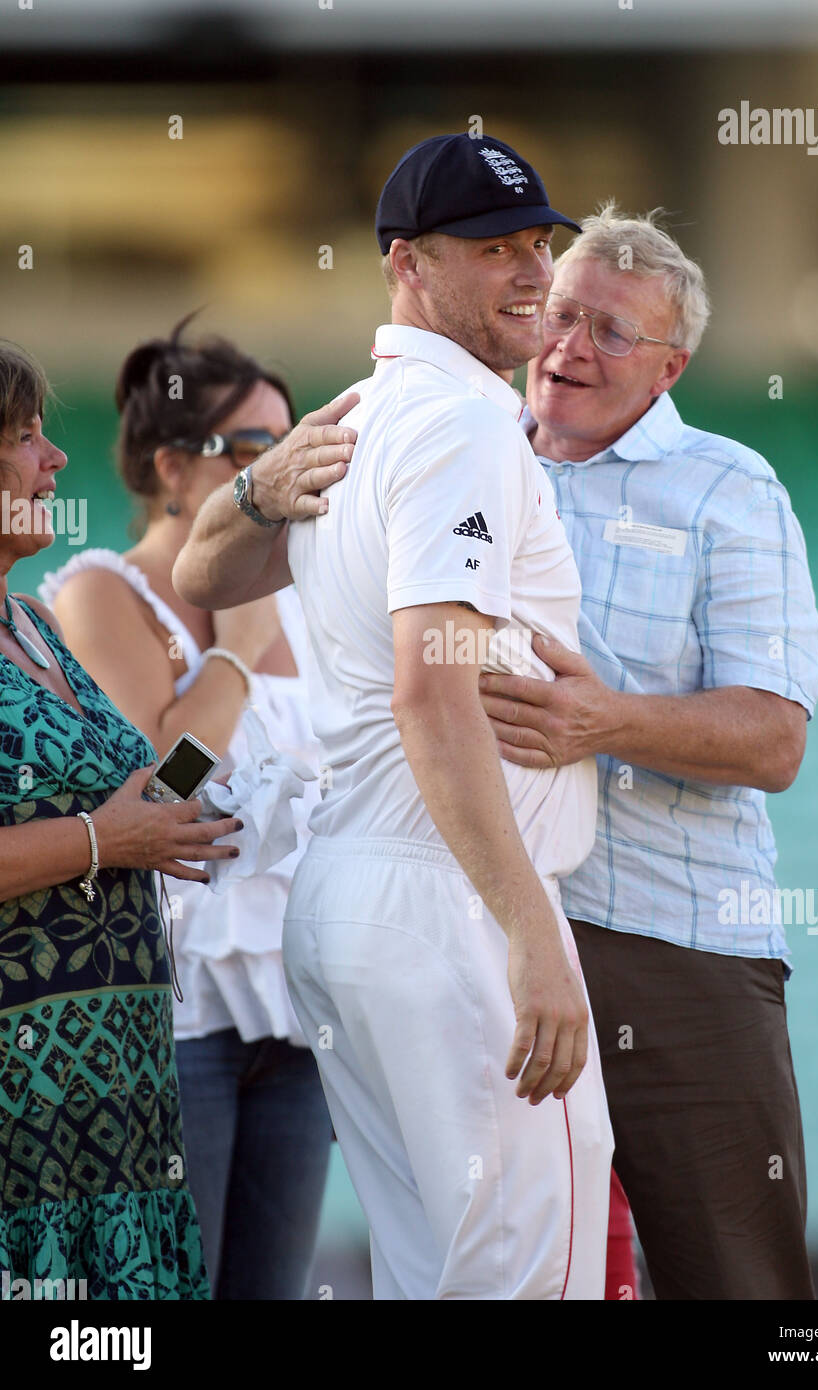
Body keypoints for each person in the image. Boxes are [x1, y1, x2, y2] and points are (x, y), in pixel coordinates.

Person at [174, 133, 615, 1300]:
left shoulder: (367, 412)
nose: (532, 273)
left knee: (434, 1275)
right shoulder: (459, 422)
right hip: (450, 899)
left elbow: (209, 577)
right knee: (524, 1279)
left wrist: (257, 490)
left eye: (538, 244)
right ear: (404, 264)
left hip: (357, 892)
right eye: (491, 249)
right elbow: (433, 685)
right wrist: (527, 928)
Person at [477, 205, 818, 1299]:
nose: (570, 346)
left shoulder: (727, 488)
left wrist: (606, 721)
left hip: (674, 946)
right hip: (492, 934)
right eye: (561, 313)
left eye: (612, 332)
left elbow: (774, 739)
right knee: (507, 1276)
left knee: (735, 1283)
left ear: (670, 366)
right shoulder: (465, 455)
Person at [41, 319, 348, 1300]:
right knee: (170, 1288)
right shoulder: (104, 592)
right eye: (256, 450)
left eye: (296, 445)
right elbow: (158, 791)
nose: (287, 470)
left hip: (295, 1008)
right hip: (169, 1007)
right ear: (175, 468)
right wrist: (238, 646)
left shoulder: (309, 596)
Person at [0, 340, 242, 1299]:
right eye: (24, 437)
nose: (56, 458)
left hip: (120, 1099)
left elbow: (139, 788)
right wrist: (109, 842)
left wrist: (178, 802)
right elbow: (110, 827)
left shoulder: (35, 622)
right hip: (21, 1111)